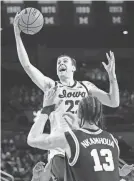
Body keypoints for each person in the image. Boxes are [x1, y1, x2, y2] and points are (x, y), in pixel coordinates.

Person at [14, 13, 119, 180]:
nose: (61, 64)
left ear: (73, 68)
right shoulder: (52, 86)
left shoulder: (86, 86)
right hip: (60, 148)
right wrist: (17, 34)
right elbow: (27, 65)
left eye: (64, 62)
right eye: (58, 63)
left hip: (85, 146)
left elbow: (113, 102)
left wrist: (112, 78)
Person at [27, 88, 133, 181]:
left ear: (79, 114)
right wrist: (119, 172)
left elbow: (32, 139)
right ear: (99, 116)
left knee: (56, 161)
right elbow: (95, 166)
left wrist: (47, 108)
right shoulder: (112, 140)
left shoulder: (70, 139)